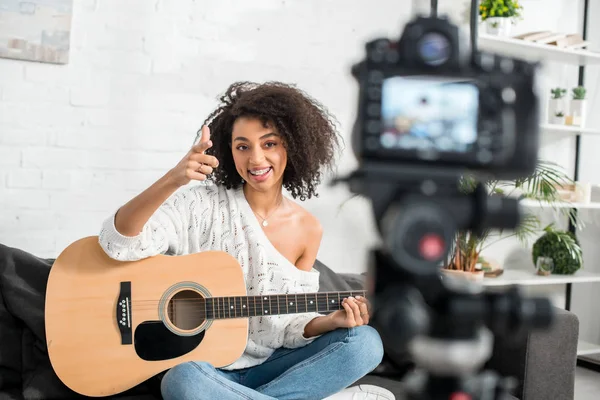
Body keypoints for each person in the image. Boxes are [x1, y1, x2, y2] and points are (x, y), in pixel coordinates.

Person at [98, 81, 388, 400]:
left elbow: (290, 328)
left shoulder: (308, 228)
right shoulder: (201, 205)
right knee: (181, 381)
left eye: (269, 144)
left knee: (365, 343)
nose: (256, 159)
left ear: (292, 145)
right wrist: (174, 178)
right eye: (242, 146)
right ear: (228, 149)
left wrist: (331, 321)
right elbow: (119, 243)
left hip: (270, 367)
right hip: (205, 371)